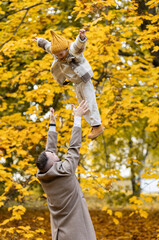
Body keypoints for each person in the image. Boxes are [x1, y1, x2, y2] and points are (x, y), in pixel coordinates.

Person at [36, 100, 97, 240]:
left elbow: (48, 152)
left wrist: (52, 124)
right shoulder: (66, 171)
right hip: (76, 233)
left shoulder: (42, 175)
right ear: (53, 163)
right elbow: (73, 147)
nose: (54, 152)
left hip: (60, 233)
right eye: (53, 155)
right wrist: (77, 118)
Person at [35, 28, 104, 140]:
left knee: (90, 102)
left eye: (61, 54)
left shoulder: (72, 51)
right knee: (82, 106)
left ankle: (98, 125)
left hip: (84, 81)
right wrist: (39, 41)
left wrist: (81, 38)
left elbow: (78, 46)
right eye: (56, 55)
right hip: (76, 83)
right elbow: (47, 46)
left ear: (66, 49)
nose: (59, 57)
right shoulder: (57, 53)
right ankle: (93, 126)